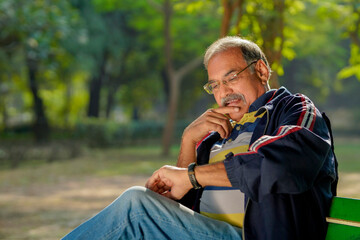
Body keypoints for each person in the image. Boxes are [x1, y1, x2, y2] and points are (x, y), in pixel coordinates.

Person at [62, 36, 338, 240]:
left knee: (135, 206)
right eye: (215, 85)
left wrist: (192, 175)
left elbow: (280, 164)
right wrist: (188, 141)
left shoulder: (293, 109)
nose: (224, 91)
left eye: (231, 77)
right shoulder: (215, 135)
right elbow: (179, 208)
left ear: (262, 71)